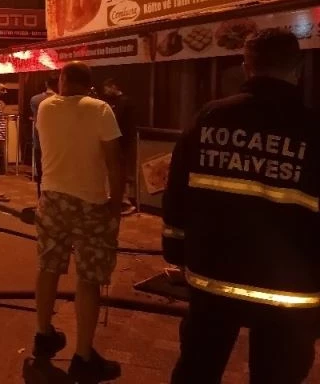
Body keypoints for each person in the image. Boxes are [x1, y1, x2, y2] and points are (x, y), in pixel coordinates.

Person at [163, 29, 319, 384]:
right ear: (298, 69)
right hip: (289, 292)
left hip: (213, 279)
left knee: (197, 371)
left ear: (246, 66)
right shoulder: (314, 131)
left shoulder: (210, 118)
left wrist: (175, 251)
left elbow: (178, 190)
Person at [33, 61, 125, 382]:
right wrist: (116, 207)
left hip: (52, 199)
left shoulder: (45, 108)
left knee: (48, 267)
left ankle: (43, 334)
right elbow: (114, 163)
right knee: (88, 278)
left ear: (62, 80)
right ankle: (83, 356)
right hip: (90, 203)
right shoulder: (100, 110)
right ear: (89, 84)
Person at [101, 78, 137, 215]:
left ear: (114, 86)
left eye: (107, 88)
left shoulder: (125, 102)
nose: (105, 91)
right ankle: (121, 201)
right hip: (117, 141)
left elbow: (123, 123)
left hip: (123, 142)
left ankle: (124, 202)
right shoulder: (114, 102)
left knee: (121, 172)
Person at [30, 76, 58, 197]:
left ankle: (41, 198)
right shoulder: (62, 100)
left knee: (41, 173)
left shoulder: (35, 99)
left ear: (46, 84)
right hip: (56, 142)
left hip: (39, 140)